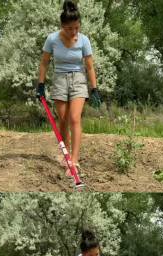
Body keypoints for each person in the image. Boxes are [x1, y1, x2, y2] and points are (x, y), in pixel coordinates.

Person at [36, 0, 102, 176]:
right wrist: (40, 84)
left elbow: (89, 66)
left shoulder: (84, 40)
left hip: (78, 80)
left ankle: (74, 161)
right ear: (62, 26)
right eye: (69, 29)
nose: (74, 32)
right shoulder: (52, 39)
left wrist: (94, 88)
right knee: (63, 119)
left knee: (74, 118)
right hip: (59, 80)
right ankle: (65, 155)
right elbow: (44, 63)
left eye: (77, 28)